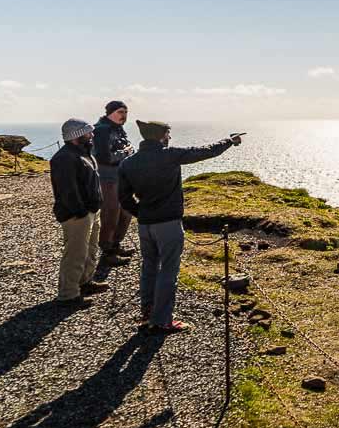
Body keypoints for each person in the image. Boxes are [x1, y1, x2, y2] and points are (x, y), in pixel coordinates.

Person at [117, 120, 243, 334]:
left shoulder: (128, 163)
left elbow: (123, 197)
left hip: (145, 224)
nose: (170, 137)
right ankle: (162, 320)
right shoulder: (170, 155)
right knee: (168, 270)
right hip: (168, 223)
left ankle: (147, 313)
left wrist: (141, 213)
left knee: (149, 268)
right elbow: (206, 151)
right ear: (161, 136)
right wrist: (229, 141)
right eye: (168, 133)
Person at [49, 119, 111, 303]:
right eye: (88, 132)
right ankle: (68, 294)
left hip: (90, 211)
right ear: (77, 135)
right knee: (75, 253)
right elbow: (67, 189)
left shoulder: (83, 153)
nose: (92, 135)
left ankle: (85, 282)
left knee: (90, 250)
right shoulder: (65, 158)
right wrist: (81, 211)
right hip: (77, 215)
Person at [91, 100, 135, 266]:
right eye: (120, 112)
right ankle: (107, 251)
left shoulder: (117, 127)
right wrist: (125, 152)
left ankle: (116, 245)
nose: (124, 116)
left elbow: (123, 147)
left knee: (126, 211)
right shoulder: (102, 130)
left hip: (120, 176)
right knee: (111, 213)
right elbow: (104, 157)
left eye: (125, 112)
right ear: (110, 112)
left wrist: (128, 152)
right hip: (107, 178)